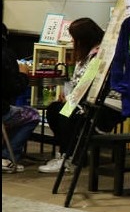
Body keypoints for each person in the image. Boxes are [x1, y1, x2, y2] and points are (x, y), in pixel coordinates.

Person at [39, 18, 121, 173]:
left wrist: (71, 98)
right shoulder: (87, 55)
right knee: (54, 109)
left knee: (65, 114)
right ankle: (70, 154)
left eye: (74, 39)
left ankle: (69, 157)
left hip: (101, 108)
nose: (72, 42)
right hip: (82, 101)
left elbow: (88, 84)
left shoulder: (99, 56)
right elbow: (78, 82)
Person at [2, 24, 39, 173]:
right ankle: (6, 157)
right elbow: (14, 88)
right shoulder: (6, 54)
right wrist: (23, 74)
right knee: (32, 115)